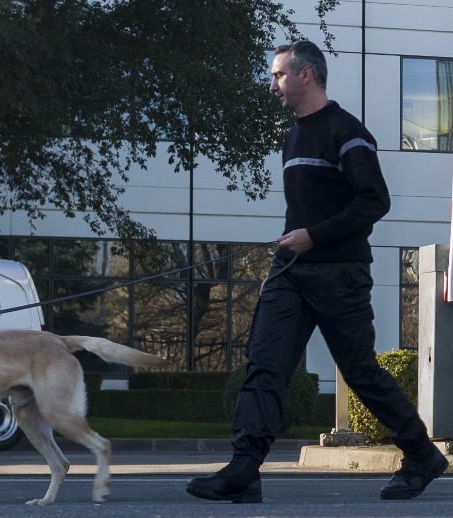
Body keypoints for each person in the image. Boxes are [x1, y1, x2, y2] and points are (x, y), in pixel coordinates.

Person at [186, 40, 448, 504]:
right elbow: (299, 213)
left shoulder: (347, 132)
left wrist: (314, 237)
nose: (272, 85)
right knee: (265, 365)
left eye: (278, 75)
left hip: (340, 274)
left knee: (360, 371)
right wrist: (279, 264)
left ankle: (422, 456)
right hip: (292, 273)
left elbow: (374, 201)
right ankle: (244, 469)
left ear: (306, 75)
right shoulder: (292, 137)